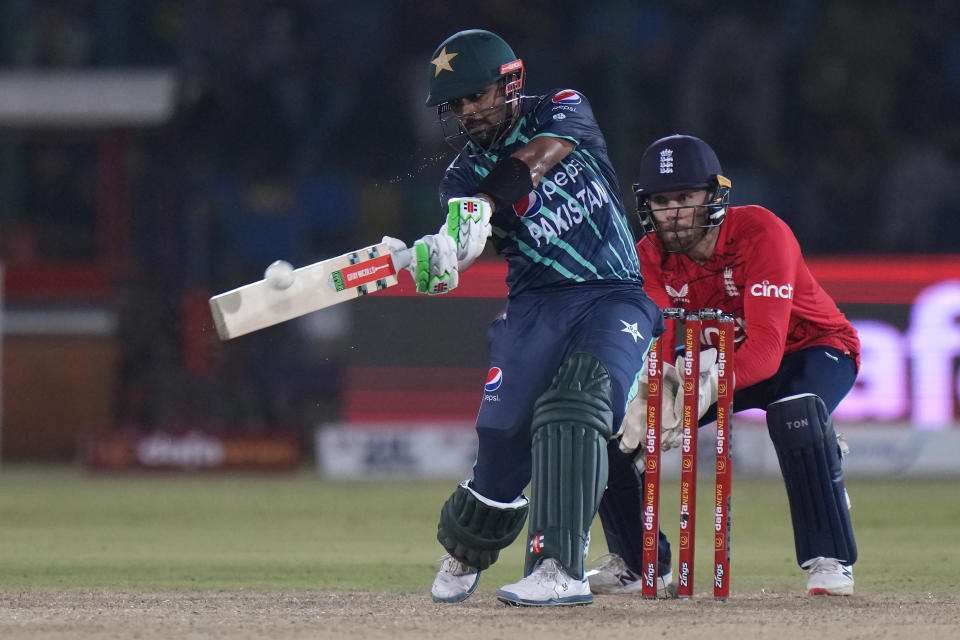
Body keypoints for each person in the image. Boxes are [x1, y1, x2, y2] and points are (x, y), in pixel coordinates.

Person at [383, 29, 663, 606]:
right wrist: (441, 255)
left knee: (577, 405)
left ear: (510, 83)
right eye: (455, 104)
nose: (466, 112)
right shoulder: (459, 178)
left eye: (476, 95)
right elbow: (471, 249)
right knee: (502, 431)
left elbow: (532, 163)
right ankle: (467, 546)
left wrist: (478, 209)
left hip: (613, 292)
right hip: (537, 305)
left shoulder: (563, 108)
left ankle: (559, 567)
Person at [588, 134, 859, 597]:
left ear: (713, 196)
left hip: (810, 349)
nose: (672, 211)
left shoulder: (761, 232)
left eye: (685, 197)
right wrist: (651, 393)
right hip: (717, 362)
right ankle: (639, 563)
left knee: (795, 412)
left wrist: (695, 389)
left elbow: (767, 351)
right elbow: (657, 347)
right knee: (612, 428)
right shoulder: (649, 256)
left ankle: (829, 558)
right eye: (661, 200)